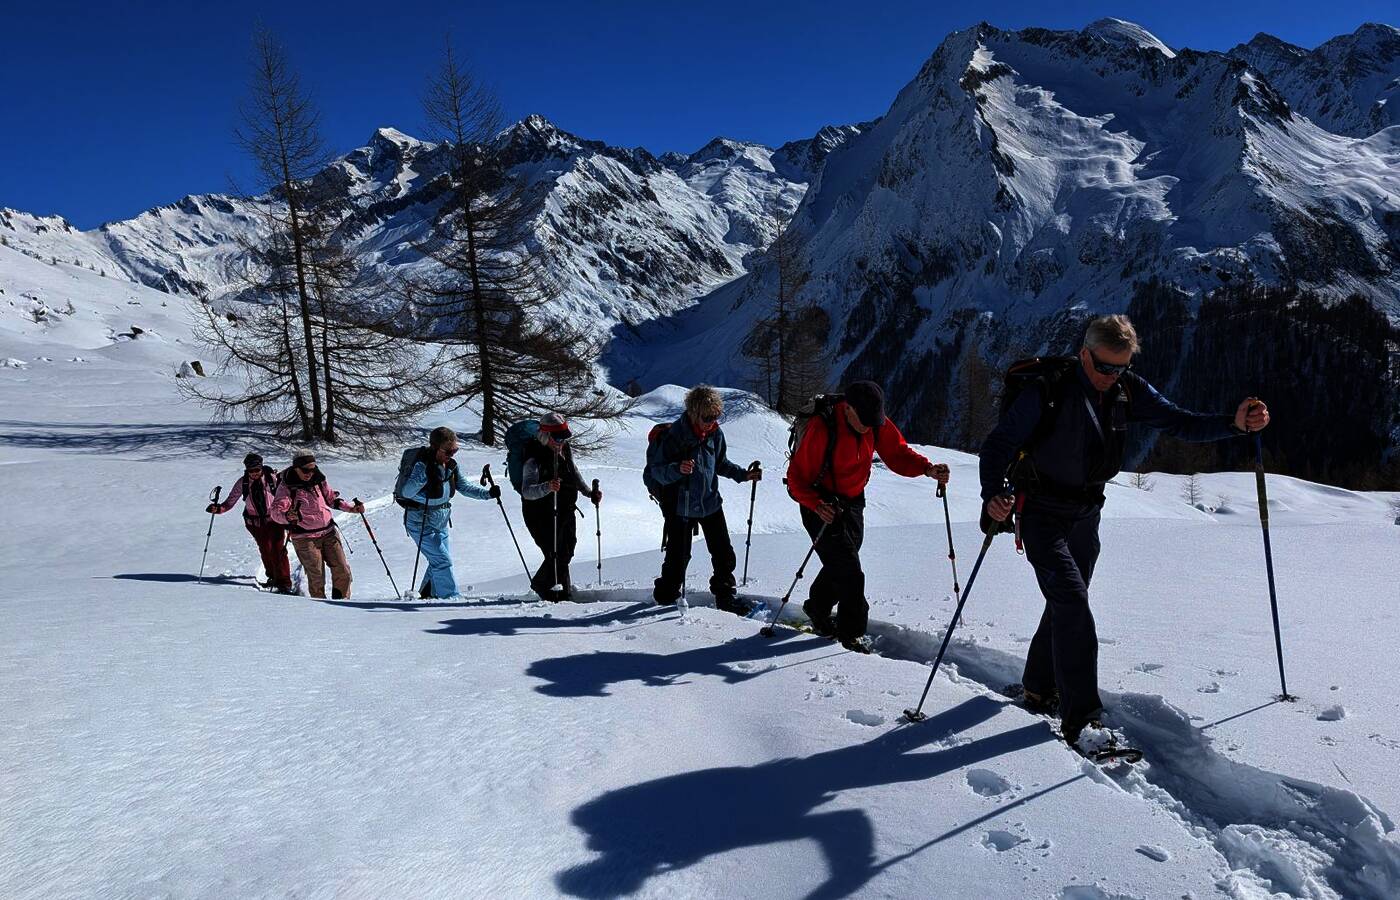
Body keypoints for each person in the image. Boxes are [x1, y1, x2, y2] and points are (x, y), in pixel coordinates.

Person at [980, 314, 1271, 754]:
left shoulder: (1125, 389)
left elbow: (1178, 421)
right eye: (1104, 367)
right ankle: (1083, 721)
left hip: (1086, 513)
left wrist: (1234, 424)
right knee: (1072, 600)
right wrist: (993, 493)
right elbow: (998, 445)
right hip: (1040, 512)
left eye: (1122, 367)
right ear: (1084, 354)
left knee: (1068, 599)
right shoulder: (1048, 391)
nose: (1112, 376)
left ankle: (1039, 686)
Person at [786, 381, 950, 649]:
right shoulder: (822, 427)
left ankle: (817, 606)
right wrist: (816, 505)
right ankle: (851, 634)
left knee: (846, 557)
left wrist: (927, 469)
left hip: (852, 500)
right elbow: (796, 478)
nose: (869, 427)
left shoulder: (874, 420)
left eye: (874, 422)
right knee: (850, 570)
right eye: (864, 422)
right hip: (820, 503)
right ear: (848, 408)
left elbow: (897, 453)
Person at [646, 386, 761, 614]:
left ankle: (725, 596)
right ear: (693, 413)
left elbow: (720, 463)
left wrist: (743, 475)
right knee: (678, 557)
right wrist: (677, 469)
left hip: (709, 502)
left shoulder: (715, 434)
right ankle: (666, 596)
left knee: (723, 553)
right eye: (707, 418)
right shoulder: (673, 437)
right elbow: (656, 472)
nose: (712, 422)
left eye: (716, 417)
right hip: (681, 505)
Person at [399, 426, 495, 599]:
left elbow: (464, 487)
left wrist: (488, 494)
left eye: (455, 450)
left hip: (441, 520)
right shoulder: (422, 465)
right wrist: (426, 478)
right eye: (448, 451)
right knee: (442, 560)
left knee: (439, 560)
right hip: (420, 521)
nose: (452, 455)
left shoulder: (451, 466)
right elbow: (407, 492)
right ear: (435, 447)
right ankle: (450, 599)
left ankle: (429, 594)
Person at [520, 413, 601, 602]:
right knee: (555, 553)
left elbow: (573, 472)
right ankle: (554, 592)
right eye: (557, 438)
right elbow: (527, 491)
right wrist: (547, 487)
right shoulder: (534, 456)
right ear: (545, 436)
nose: (562, 441)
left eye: (564, 437)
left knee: (567, 549)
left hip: (565, 509)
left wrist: (588, 492)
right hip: (540, 514)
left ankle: (558, 591)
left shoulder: (564, 449)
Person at [270, 451, 364, 600]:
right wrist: (287, 516)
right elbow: (275, 512)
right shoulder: (287, 486)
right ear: (296, 468)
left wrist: (351, 508)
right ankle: (320, 609)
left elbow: (331, 499)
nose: (310, 473)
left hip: (329, 532)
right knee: (317, 577)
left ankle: (342, 604)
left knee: (343, 571)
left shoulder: (319, 479)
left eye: (313, 469)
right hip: (305, 538)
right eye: (305, 470)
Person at [207, 453, 293, 593]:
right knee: (265, 549)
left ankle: (284, 583)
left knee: (278, 550)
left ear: (261, 467)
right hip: (254, 523)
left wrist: (288, 514)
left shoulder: (272, 479)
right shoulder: (243, 482)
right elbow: (230, 501)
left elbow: (286, 495)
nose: (254, 473)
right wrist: (218, 509)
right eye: (250, 470)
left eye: (257, 470)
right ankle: (272, 577)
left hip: (274, 520)